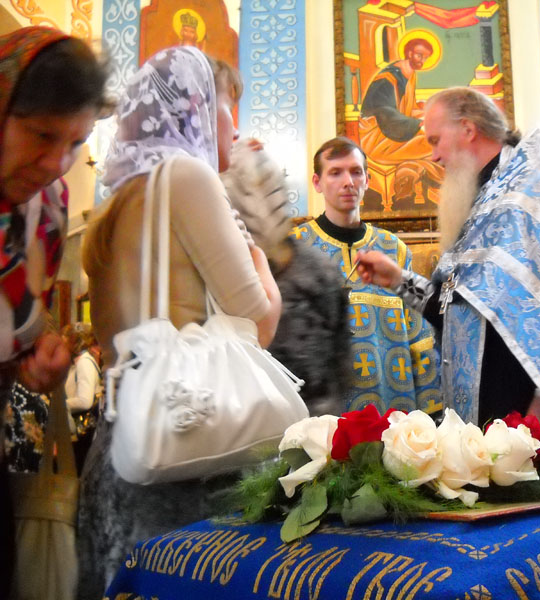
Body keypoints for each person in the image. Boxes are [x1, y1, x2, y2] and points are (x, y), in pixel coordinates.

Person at [78, 47, 282, 596]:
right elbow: (258, 325)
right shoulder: (187, 177)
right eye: (229, 107)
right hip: (186, 450)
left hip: (125, 441)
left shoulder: (122, 194)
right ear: (197, 106)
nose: (235, 126)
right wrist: (261, 265)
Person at [356, 87, 540, 432]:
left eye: (435, 140)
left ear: (467, 129)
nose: (433, 156)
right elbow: (457, 308)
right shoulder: (480, 198)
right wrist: (397, 279)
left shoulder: (534, 192)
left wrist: (539, 415)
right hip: (483, 423)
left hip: (531, 425)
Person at [0, 26, 111, 596]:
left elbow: (17, 323)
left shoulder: (44, 209)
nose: (55, 163)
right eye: (42, 134)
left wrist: (34, 358)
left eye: (76, 143)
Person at [291, 137, 441, 415]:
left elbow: (418, 335)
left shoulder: (394, 249)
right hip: (324, 412)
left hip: (393, 407)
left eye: (356, 172)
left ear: (368, 180)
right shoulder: (296, 248)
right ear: (317, 182)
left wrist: (432, 411)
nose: (348, 182)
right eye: (335, 173)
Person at [222, 140, 351, 416]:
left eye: (270, 191)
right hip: (249, 425)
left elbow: (339, 368)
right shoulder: (223, 279)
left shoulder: (319, 272)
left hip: (315, 424)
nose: (262, 208)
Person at [359, 37, 444, 206]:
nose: (422, 61)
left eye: (425, 58)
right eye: (419, 55)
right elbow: (388, 117)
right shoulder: (387, 79)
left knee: (436, 142)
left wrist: (428, 115)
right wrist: (418, 124)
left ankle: (412, 175)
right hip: (378, 138)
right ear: (409, 53)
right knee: (433, 144)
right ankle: (436, 185)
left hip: (396, 130)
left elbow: (408, 109)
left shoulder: (409, 75)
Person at [62, 323, 102, 472]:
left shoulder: (84, 363)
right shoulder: (80, 362)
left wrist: (62, 404)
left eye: (65, 340)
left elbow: (85, 401)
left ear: (74, 341)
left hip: (83, 432)